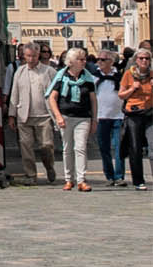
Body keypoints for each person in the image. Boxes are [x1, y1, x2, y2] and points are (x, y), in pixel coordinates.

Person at [47, 45, 100, 190]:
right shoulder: (62, 76)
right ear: (71, 61)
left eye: (84, 59)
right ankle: (69, 179)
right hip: (65, 116)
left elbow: (93, 100)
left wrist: (94, 119)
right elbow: (52, 98)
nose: (83, 62)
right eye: (80, 59)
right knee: (67, 148)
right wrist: (58, 116)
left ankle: (81, 180)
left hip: (83, 117)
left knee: (80, 147)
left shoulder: (88, 78)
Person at [7, 41, 58, 184]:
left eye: (34, 56)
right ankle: (31, 175)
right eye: (28, 56)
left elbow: (57, 92)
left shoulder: (49, 71)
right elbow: (14, 94)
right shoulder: (20, 72)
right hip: (24, 115)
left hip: (44, 116)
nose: (31, 59)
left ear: (38, 55)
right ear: (24, 56)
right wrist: (12, 115)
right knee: (26, 146)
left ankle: (49, 167)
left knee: (46, 146)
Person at [118, 44, 153, 191]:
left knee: (152, 146)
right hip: (134, 114)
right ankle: (138, 181)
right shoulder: (129, 74)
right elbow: (121, 95)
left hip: (150, 114)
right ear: (136, 60)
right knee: (135, 147)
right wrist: (133, 88)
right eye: (141, 58)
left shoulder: (152, 75)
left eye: (147, 58)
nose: (144, 61)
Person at [93, 51, 125, 185]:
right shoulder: (94, 77)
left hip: (119, 116)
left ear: (111, 62)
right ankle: (109, 176)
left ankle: (119, 176)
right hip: (101, 116)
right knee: (103, 147)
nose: (99, 62)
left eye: (103, 60)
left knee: (119, 147)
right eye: (98, 59)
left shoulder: (120, 76)